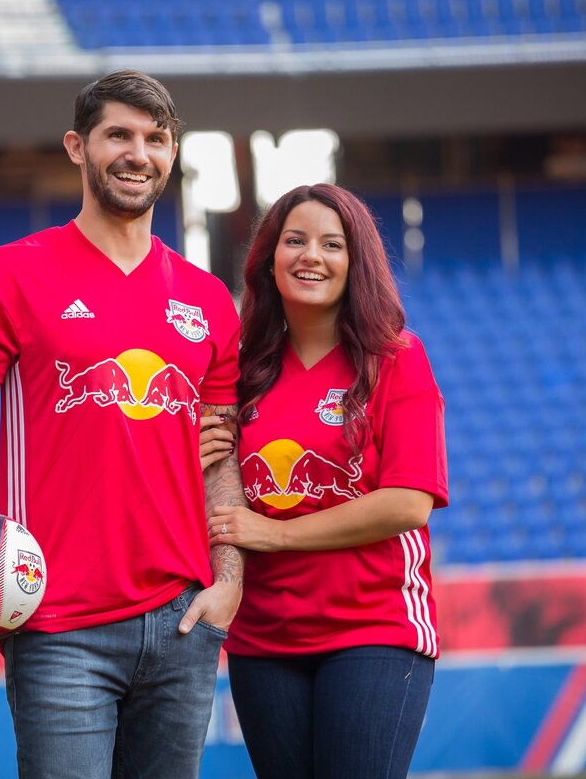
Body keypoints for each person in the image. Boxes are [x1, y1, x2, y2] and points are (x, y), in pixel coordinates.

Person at [0, 70, 247, 779]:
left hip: (183, 624)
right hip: (61, 626)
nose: (138, 153)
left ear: (173, 153)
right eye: (118, 134)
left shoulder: (209, 301)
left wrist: (229, 579)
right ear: (77, 147)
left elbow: (221, 456)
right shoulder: (11, 276)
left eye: (155, 138)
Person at [200, 183, 448, 779]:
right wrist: (199, 457)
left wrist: (277, 535)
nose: (311, 255)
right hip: (263, 640)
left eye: (332, 244)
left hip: (374, 629)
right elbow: (218, 498)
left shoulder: (396, 359)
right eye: (295, 240)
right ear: (269, 259)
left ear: (355, 262)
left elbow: (409, 503)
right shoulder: (239, 374)